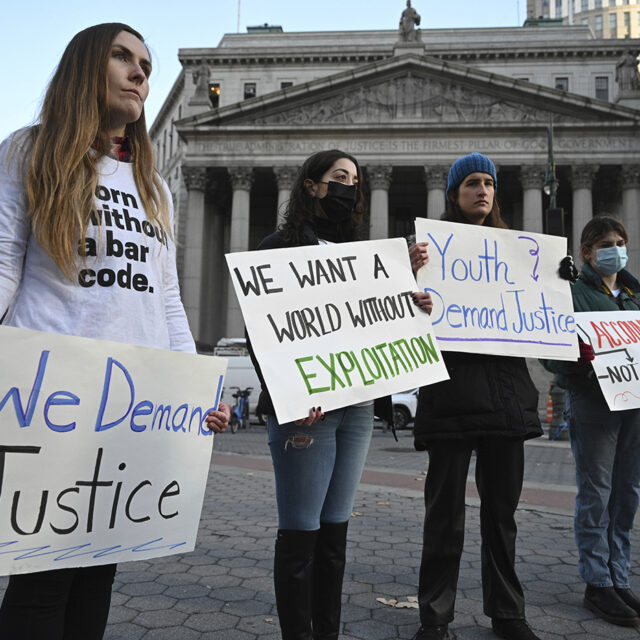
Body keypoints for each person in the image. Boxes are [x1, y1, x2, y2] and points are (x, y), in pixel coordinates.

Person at [0, 23, 229, 640]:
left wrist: (197, 387)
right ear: (84, 69)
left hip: (131, 404)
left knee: (99, 572)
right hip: (49, 394)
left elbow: (168, 299)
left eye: (146, 65)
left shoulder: (155, 187)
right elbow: (3, 263)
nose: (139, 73)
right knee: (43, 575)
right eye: (122, 57)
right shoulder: (27, 151)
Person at [246, 149, 431, 640]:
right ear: (311, 184)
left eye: (356, 179)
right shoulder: (277, 247)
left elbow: (374, 328)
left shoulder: (363, 255)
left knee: (334, 533)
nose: (350, 185)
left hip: (358, 406)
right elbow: (260, 334)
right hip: (305, 412)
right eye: (340, 176)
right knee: (301, 532)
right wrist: (289, 392)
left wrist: (411, 296)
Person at [409, 153, 542, 640]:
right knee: (443, 516)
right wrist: (410, 283)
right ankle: (435, 616)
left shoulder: (520, 253)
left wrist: (559, 281)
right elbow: (400, 321)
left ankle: (508, 612)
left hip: (506, 398)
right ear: (453, 193)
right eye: (471, 184)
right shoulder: (427, 252)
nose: (482, 191)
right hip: (450, 397)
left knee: (501, 516)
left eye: (488, 183)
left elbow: (542, 318)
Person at [542, 216, 640, 627]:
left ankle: (619, 574)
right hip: (593, 404)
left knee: (627, 493)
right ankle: (597, 582)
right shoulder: (571, 293)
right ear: (586, 252)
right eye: (605, 243)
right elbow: (549, 353)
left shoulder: (635, 295)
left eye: (620, 242)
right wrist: (577, 359)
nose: (614, 249)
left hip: (633, 405)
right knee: (596, 495)